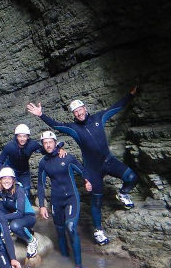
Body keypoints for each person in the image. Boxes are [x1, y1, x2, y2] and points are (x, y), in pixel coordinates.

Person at [27, 86, 138, 246]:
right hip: (93, 170)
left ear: (85, 108)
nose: (79, 113)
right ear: (74, 115)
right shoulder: (74, 129)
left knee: (131, 177)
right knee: (97, 201)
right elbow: (57, 126)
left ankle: (123, 193)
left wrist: (130, 94)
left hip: (109, 161)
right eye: (75, 112)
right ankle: (98, 230)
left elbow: (116, 107)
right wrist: (41, 115)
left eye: (80, 110)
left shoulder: (99, 118)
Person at [36, 131, 92, 268]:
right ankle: (65, 259)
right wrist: (42, 205)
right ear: (43, 145)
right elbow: (41, 185)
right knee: (60, 231)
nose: (48, 145)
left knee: (71, 226)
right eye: (45, 143)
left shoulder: (66, 157)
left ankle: (79, 265)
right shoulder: (43, 163)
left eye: (50, 142)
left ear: (55, 142)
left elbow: (82, 170)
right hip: (56, 201)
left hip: (71, 198)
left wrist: (87, 181)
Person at [0, 124, 65, 201]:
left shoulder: (32, 144)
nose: (22, 139)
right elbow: (0, 162)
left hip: (24, 171)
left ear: (28, 137)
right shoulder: (10, 146)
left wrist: (59, 148)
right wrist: (1, 178)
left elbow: (46, 150)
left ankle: (25, 210)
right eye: (20, 136)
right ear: (16, 136)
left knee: (26, 191)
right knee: (13, 190)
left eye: (24, 136)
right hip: (12, 170)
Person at [0, 167, 39, 258]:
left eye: (9, 178)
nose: (6, 181)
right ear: (0, 181)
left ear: (13, 180)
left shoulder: (19, 190)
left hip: (27, 216)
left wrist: (3, 218)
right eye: (4, 178)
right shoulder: (3, 190)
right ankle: (4, 231)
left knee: (14, 226)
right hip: (14, 214)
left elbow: (20, 213)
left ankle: (31, 241)